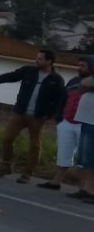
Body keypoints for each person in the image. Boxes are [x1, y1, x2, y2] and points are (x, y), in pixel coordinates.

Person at [0, 49, 66, 183]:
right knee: (7, 137)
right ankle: (6, 166)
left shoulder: (56, 79)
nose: (37, 60)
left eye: (40, 59)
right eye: (37, 58)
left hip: (38, 117)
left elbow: (60, 99)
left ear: (49, 61)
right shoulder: (28, 71)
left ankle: (27, 173)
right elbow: (10, 76)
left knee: (34, 145)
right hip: (20, 113)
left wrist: (50, 115)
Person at [38, 56, 92, 191]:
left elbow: (84, 87)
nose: (79, 68)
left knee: (84, 158)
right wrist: (59, 118)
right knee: (63, 153)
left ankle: (84, 187)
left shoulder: (89, 82)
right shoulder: (73, 81)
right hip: (67, 121)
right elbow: (63, 98)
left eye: (83, 65)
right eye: (79, 65)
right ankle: (56, 181)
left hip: (85, 123)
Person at [69, 68, 94, 202]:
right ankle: (85, 188)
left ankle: (91, 190)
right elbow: (81, 87)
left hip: (92, 122)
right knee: (84, 159)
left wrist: (86, 84)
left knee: (91, 158)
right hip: (86, 120)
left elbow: (85, 83)